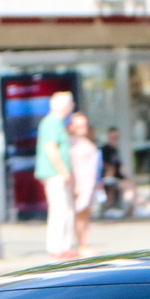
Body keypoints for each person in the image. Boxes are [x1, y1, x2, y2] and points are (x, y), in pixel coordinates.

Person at [35, 89, 76, 257]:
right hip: (55, 173)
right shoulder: (52, 123)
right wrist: (63, 171)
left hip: (55, 172)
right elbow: (51, 148)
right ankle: (56, 248)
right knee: (59, 209)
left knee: (65, 209)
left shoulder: (54, 122)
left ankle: (63, 246)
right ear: (66, 106)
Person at [68, 111, 101, 256]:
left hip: (90, 183)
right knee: (80, 213)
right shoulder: (71, 143)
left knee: (86, 213)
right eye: (79, 125)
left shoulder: (86, 141)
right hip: (80, 183)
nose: (83, 127)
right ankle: (81, 244)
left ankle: (85, 242)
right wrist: (73, 184)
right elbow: (70, 165)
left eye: (84, 124)